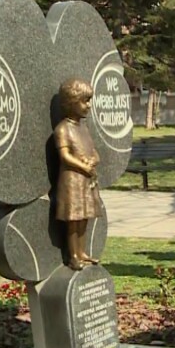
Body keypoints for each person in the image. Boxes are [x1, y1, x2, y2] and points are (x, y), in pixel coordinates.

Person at [54, 78, 103, 270]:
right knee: (73, 220)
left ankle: (82, 251)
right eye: (85, 101)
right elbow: (65, 156)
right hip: (72, 181)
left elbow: (94, 152)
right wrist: (83, 167)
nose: (89, 106)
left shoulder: (83, 128)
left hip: (86, 181)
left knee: (85, 217)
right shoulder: (63, 129)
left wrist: (93, 161)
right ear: (71, 102)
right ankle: (73, 255)